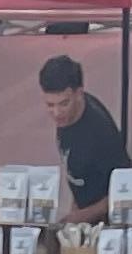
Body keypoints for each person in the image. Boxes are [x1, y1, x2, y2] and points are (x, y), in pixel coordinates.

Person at [37, 50, 125, 217]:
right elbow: (77, 174)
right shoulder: (66, 117)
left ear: (79, 93)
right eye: (50, 105)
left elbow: (123, 192)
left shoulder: (100, 132)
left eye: (64, 103)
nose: (56, 113)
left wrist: (80, 217)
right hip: (82, 211)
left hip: (109, 223)